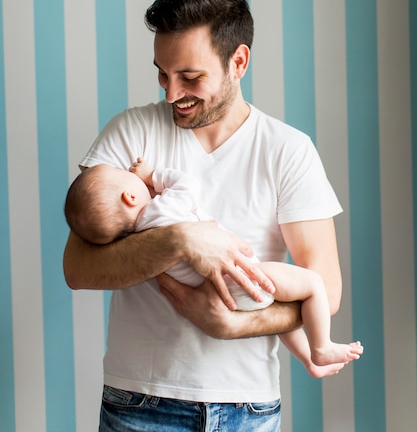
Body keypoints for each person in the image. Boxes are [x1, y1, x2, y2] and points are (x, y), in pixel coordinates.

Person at [64, 0, 350, 431]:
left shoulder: (288, 151)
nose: (171, 93)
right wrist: (180, 240)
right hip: (140, 401)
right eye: (162, 72)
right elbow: (77, 267)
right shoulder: (130, 133)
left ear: (238, 61)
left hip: (248, 407)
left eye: (190, 77)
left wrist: (231, 325)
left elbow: (326, 289)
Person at [65, 158, 362, 378]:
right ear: (130, 197)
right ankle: (320, 346)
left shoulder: (140, 237)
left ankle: (310, 360)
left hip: (221, 298)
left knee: (276, 307)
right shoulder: (162, 207)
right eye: (122, 174)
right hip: (245, 278)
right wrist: (152, 175)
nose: (129, 172)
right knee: (311, 285)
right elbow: (188, 185)